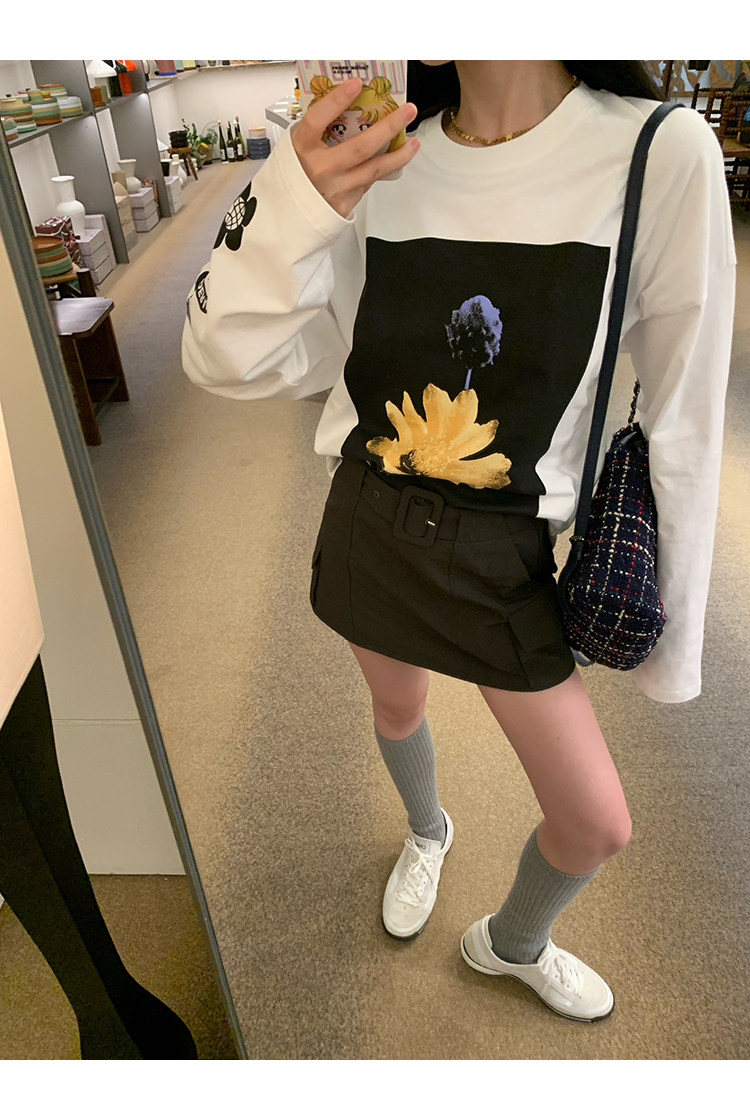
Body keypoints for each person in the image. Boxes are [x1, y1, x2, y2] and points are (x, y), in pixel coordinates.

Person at [182, 61, 736, 1023]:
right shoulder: (374, 153)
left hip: (502, 553)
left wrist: (671, 646)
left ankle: (510, 944)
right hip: (369, 516)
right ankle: (428, 830)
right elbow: (221, 357)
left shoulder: (656, 148)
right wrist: (297, 197)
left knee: (595, 821)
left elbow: (685, 414)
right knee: (397, 706)